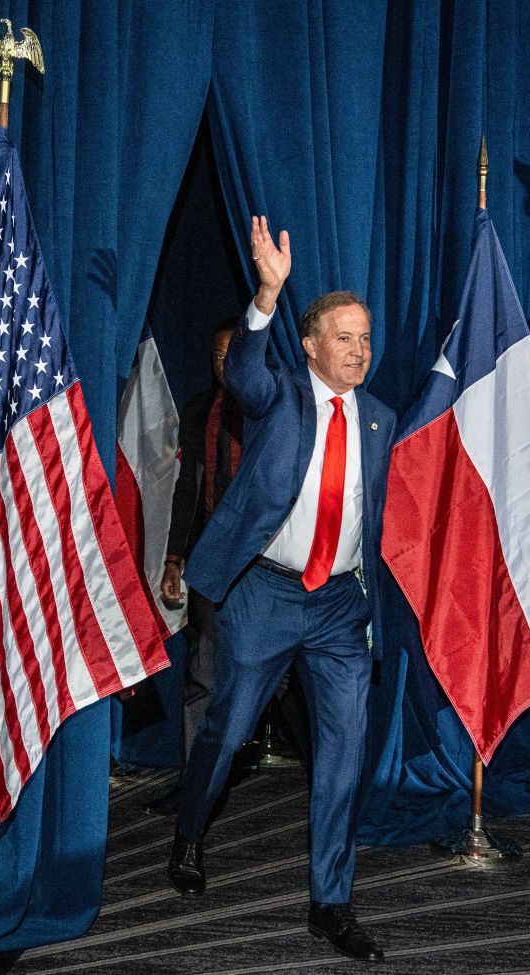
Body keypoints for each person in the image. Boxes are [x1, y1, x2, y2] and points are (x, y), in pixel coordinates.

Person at [167, 215, 396, 963]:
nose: (358, 350)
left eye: (365, 338)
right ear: (310, 344)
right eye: (344, 336)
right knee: (228, 731)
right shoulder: (281, 395)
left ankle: (330, 902)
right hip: (265, 596)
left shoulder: (381, 420)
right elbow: (242, 374)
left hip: (338, 606)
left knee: (341, 754)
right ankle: (191, 829)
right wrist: (266, 293)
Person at [145, 321, 244, 815]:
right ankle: (195, 788)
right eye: (217, 355)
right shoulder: (199, 410)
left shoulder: (273, 409)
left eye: (233, 354)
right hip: (208, 561)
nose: (224, 364)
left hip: (265, 569)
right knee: (201, 674)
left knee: (279, 679)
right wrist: (174, 559)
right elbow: (187, 493)